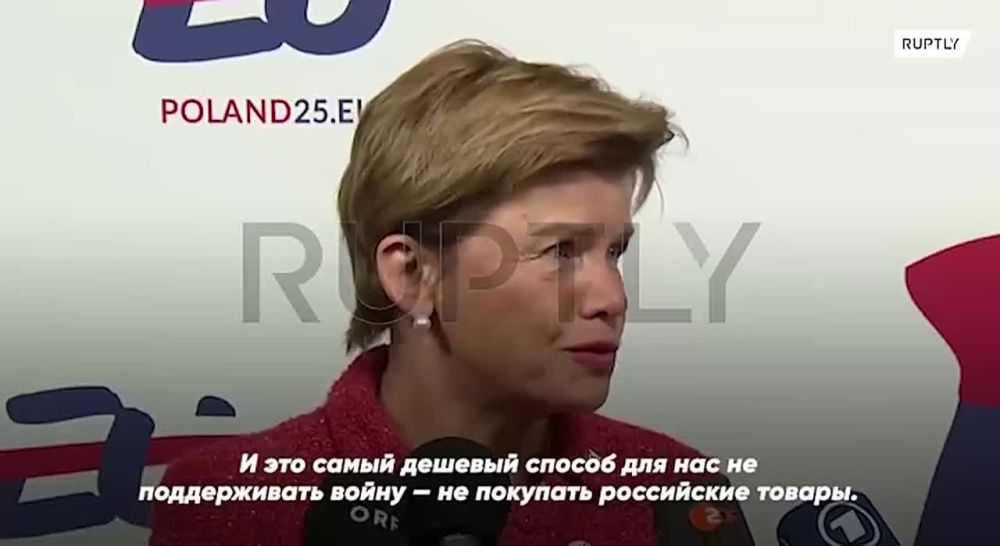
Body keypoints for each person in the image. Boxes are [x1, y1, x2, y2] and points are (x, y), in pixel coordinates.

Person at [149, 39, 743, 546]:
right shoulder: (231, 506)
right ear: (413, 275)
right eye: (561, 252)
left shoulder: (675, 495)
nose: (610, 298)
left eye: (614, 252)